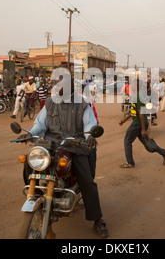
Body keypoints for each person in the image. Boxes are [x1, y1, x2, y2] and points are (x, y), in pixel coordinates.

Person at [22, 74, 109, 238]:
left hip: (74, 145)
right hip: (50, 144)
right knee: (29, 162)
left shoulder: (82, 104)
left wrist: (91, 135)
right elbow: (40, 125)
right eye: (56, 83)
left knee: (87, 180)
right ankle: (35, 196)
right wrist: (29, 134)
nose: (57, 86)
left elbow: (90, 123)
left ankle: (98, 219)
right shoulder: (49, 103)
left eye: (61, 83)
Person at [118, 78, 165, 169]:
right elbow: (134, 111)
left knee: (127, 141)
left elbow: (141, 113)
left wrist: (143, 129)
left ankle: (130, 163)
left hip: (137, 123)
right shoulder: (136, 96)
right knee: (147, 144)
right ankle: (164, 153)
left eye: (133, 84)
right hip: (139, 122)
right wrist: (125, 119)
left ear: (137, 86)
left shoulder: (138, 97)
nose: (131, 86)